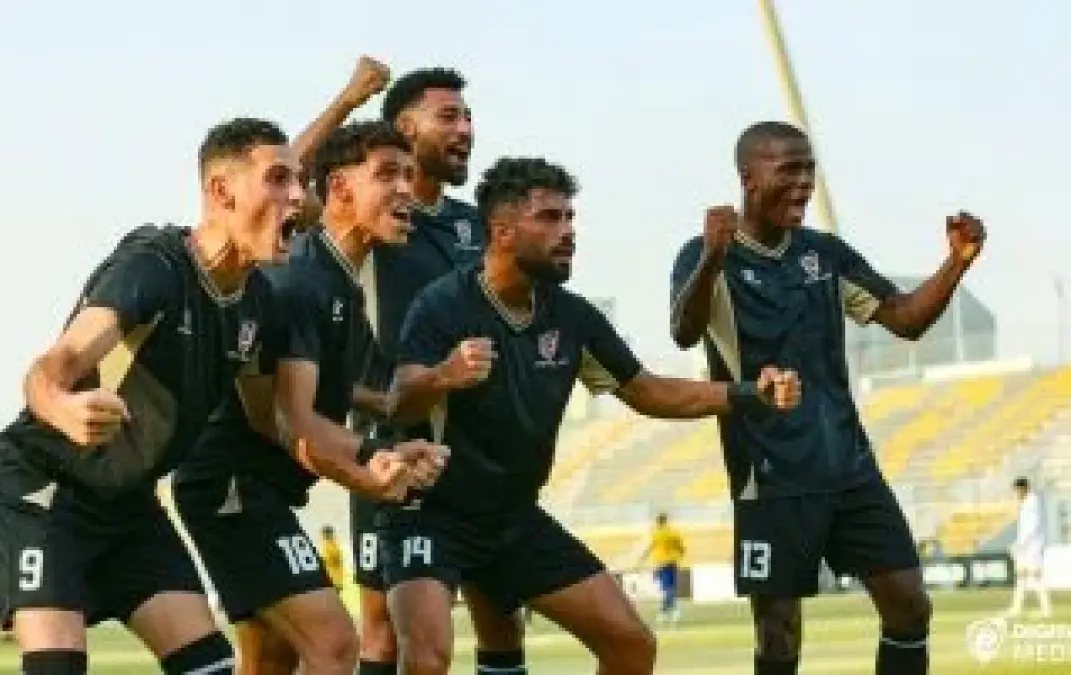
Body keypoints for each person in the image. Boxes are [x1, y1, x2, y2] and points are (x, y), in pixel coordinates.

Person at [384, 156, 802, 675]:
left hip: (514, 519)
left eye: (570, 218)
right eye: (550, 218)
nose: (568, 232)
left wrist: (750, 393)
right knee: (427, 659)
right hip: (430, 514)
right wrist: (443, 375)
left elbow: (651, 392)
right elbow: (399, 401)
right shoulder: (443, 305)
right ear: (503, 231)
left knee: (631, 645)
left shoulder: (572, 316)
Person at [0, 118, 305, 675]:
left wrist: (369, 454)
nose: (297, 195)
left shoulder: (258, 306)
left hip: (128, 506)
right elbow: (51, 368)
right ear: (221, 192)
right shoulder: (153, 267)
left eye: (299, 180)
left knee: (210, 668)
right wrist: (65, 409)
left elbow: (270, 421)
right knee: (57, 665)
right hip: (45, 487)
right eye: (278, 179)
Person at [669, 120, 988, 675]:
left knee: (910, 605)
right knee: (778, 635)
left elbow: (906, 319)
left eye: (809, 169)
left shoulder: (824, 253)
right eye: (789, 169)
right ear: (748, 178)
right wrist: (712, 259)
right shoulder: (704, 254)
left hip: (849, 468)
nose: (803, 182)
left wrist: (956, 261)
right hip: (770, 476)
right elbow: (683, 331)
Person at [173, 120, 445, 675]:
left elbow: (367, 398)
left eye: (409, 175)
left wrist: (413, 420)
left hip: (261, 487)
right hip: (232, 487)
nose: (405, 190)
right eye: (387, 174)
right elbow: (295, 424)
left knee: (272, 657)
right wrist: (372, 467)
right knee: (334, 644)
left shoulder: (338, 284)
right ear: (338, 188)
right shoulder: (302, 281)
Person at [353, 67, 530, 675]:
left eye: (468, 116)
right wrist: (351, 98)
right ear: (405, 129)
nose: (465, 129)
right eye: (448, 117)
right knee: (384, 632)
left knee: (501, 616)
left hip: (477, 451)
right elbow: (294, 179)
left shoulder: (475, 225)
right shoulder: (373, 222)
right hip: (392, 442)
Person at [1007, 477, 1051, 618]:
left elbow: (1033, 526)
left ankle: (1046, 609)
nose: (1016, 494)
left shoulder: (1033, 502)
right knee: (1021, 576)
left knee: (1034, 577)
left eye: (1017, 490)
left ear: (1024, 488)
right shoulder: (1026, 502)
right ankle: (1016, 608)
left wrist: (1021, 543)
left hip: (1033, 546)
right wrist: (1019, 543)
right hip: (1026, 546)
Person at [640, 513, 685, 625]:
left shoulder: (656, 533)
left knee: (666, 588)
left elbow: (650, 547)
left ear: (658, 522)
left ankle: (666, 612)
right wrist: (679, 555)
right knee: (671, 587)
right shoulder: (673, 532)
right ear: (666, 521)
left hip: (661, 563)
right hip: (672, 562)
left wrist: (642, 558)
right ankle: (671, 611)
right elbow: (681, 548)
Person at [320, 526, 347, 596]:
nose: (325, 536)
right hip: (336, 575)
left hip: (336, 575)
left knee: (337, 592)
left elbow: (334, 560)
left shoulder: (331, 545)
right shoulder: (331, 544)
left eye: (327, 534)